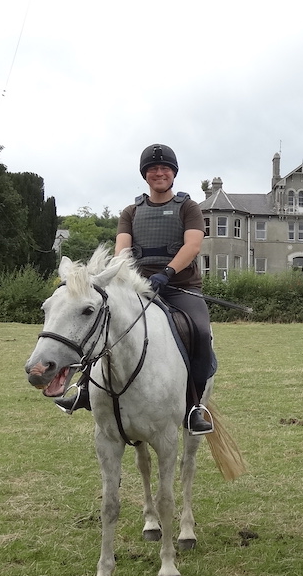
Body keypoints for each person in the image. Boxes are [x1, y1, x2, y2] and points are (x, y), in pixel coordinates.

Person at [55, 143, 215, 435]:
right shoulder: (131, 211)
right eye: (153, 169)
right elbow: (122, 252)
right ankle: (84, 388)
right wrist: (130, 279)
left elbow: (192, 245)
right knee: (102, 325)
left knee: (202, 334)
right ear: (145, 175)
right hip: (137, 289)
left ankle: (194, 406)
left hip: (179, 287)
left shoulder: (188, 207)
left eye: (165, 168)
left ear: (174, 173)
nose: (159, 173)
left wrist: (167, 273)